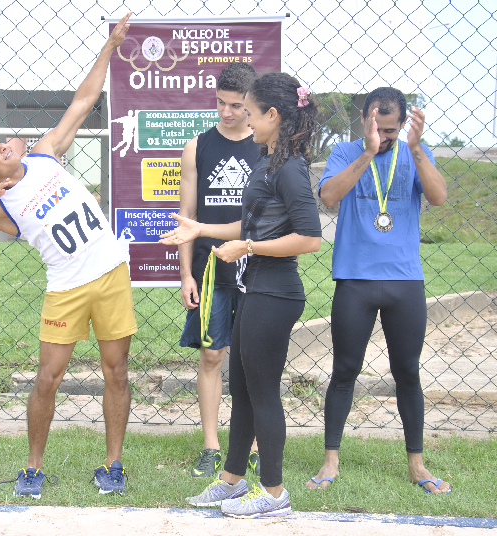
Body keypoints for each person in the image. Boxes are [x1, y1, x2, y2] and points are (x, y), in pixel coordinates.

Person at [0, 13, 135, 499]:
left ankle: (114, 464)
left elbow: (83, 101)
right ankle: (33, 468)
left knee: (116, 371)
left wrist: (110, 47)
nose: (3, 146)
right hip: (65, 289)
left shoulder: (45, 155)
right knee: (47, 378)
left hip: (110, 273)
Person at [161, 72, 322, 518]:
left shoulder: (291, 169)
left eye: (250, 113)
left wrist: (248, 248)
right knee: (244, 389)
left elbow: (310, 238)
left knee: (263, 392)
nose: (245, 121)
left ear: (273, 115)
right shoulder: (268, 161)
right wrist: (200, 229)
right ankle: (232, 480)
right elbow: (250, 224)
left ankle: (274, 493)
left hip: (276, 292)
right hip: (256, 287)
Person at [307, 87, 449, 494]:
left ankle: (417, 465)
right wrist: (368, 152)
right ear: (363, 119)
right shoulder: (345, 152)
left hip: (405, 280)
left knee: (407, 371)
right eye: (376, 128)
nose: (383, 137)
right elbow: (329, 197)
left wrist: (416, 149)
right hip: (355, 279)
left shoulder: (415, 153)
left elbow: (439, 197)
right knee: (345, 370)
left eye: (391, 130)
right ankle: (330, 461)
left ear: (403, 125)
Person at [177, 62, 261, 479]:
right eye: (220, 103)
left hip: (256, 266)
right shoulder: (197, 146)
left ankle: (255, 445)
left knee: (254, 359)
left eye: (236, 106)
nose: (226, 112)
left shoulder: (266, 147)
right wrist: (185, 275)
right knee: (212, 354)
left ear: (252, 105)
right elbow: (187, 216)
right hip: (209, 268)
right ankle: (211, 445)